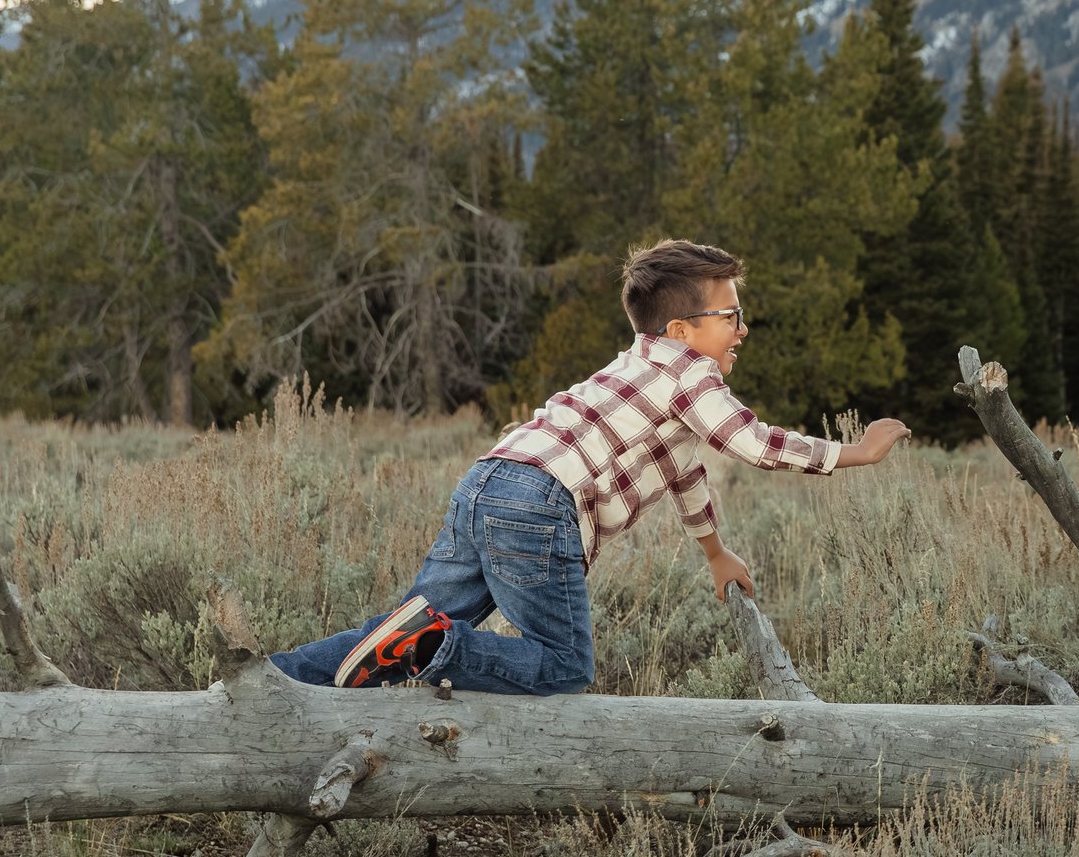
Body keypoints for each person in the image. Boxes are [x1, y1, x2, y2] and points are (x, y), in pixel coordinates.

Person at [270, 239, 909, 693]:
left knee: (390, 637)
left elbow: (685, 469)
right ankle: (436, 647)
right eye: (732, 315)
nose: (743, 329)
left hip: (489, 478)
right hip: (540, 502)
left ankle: (277, 680)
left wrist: (715, 551)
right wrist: (857, 452)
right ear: (684, 330)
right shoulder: (690, 373)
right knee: (564, 666)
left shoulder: (636, 366)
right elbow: (757, 445)